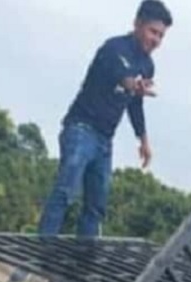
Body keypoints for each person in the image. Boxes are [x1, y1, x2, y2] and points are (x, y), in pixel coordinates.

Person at [38, 0, 173, 237]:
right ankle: (42, 248)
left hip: (104, 140)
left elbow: (135, 102)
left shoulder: (147, 66)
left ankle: (83, 260)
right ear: (137, 24)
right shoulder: (113, 49)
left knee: (96, 206)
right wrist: (134, 84)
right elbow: (122, 78)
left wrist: (143, 140)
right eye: (153, 32)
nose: (156, 40)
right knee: (66, 191)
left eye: (161, 36)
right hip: (81, 129)